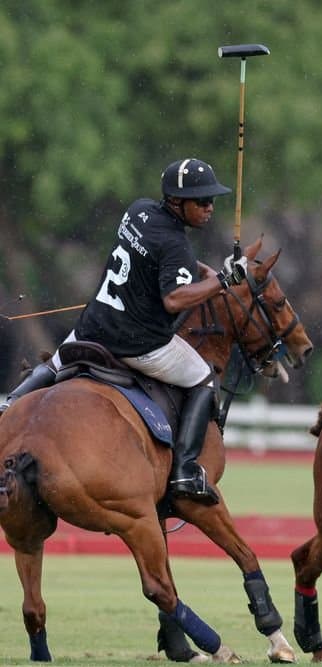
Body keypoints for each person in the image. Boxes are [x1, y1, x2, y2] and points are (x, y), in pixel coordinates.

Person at [0, 157, 246, 506]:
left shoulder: (139, 211)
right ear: (177, 202)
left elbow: (162, 261)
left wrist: (203, 273)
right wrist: (222, 280)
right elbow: (175, 299)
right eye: (202, 201)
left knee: (55, 366)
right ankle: (186, 471)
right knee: (203, 376)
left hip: (93, 326)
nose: (209, 208)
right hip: (137, 344)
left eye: (212, 201)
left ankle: (9, 404)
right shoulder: (175, 242)